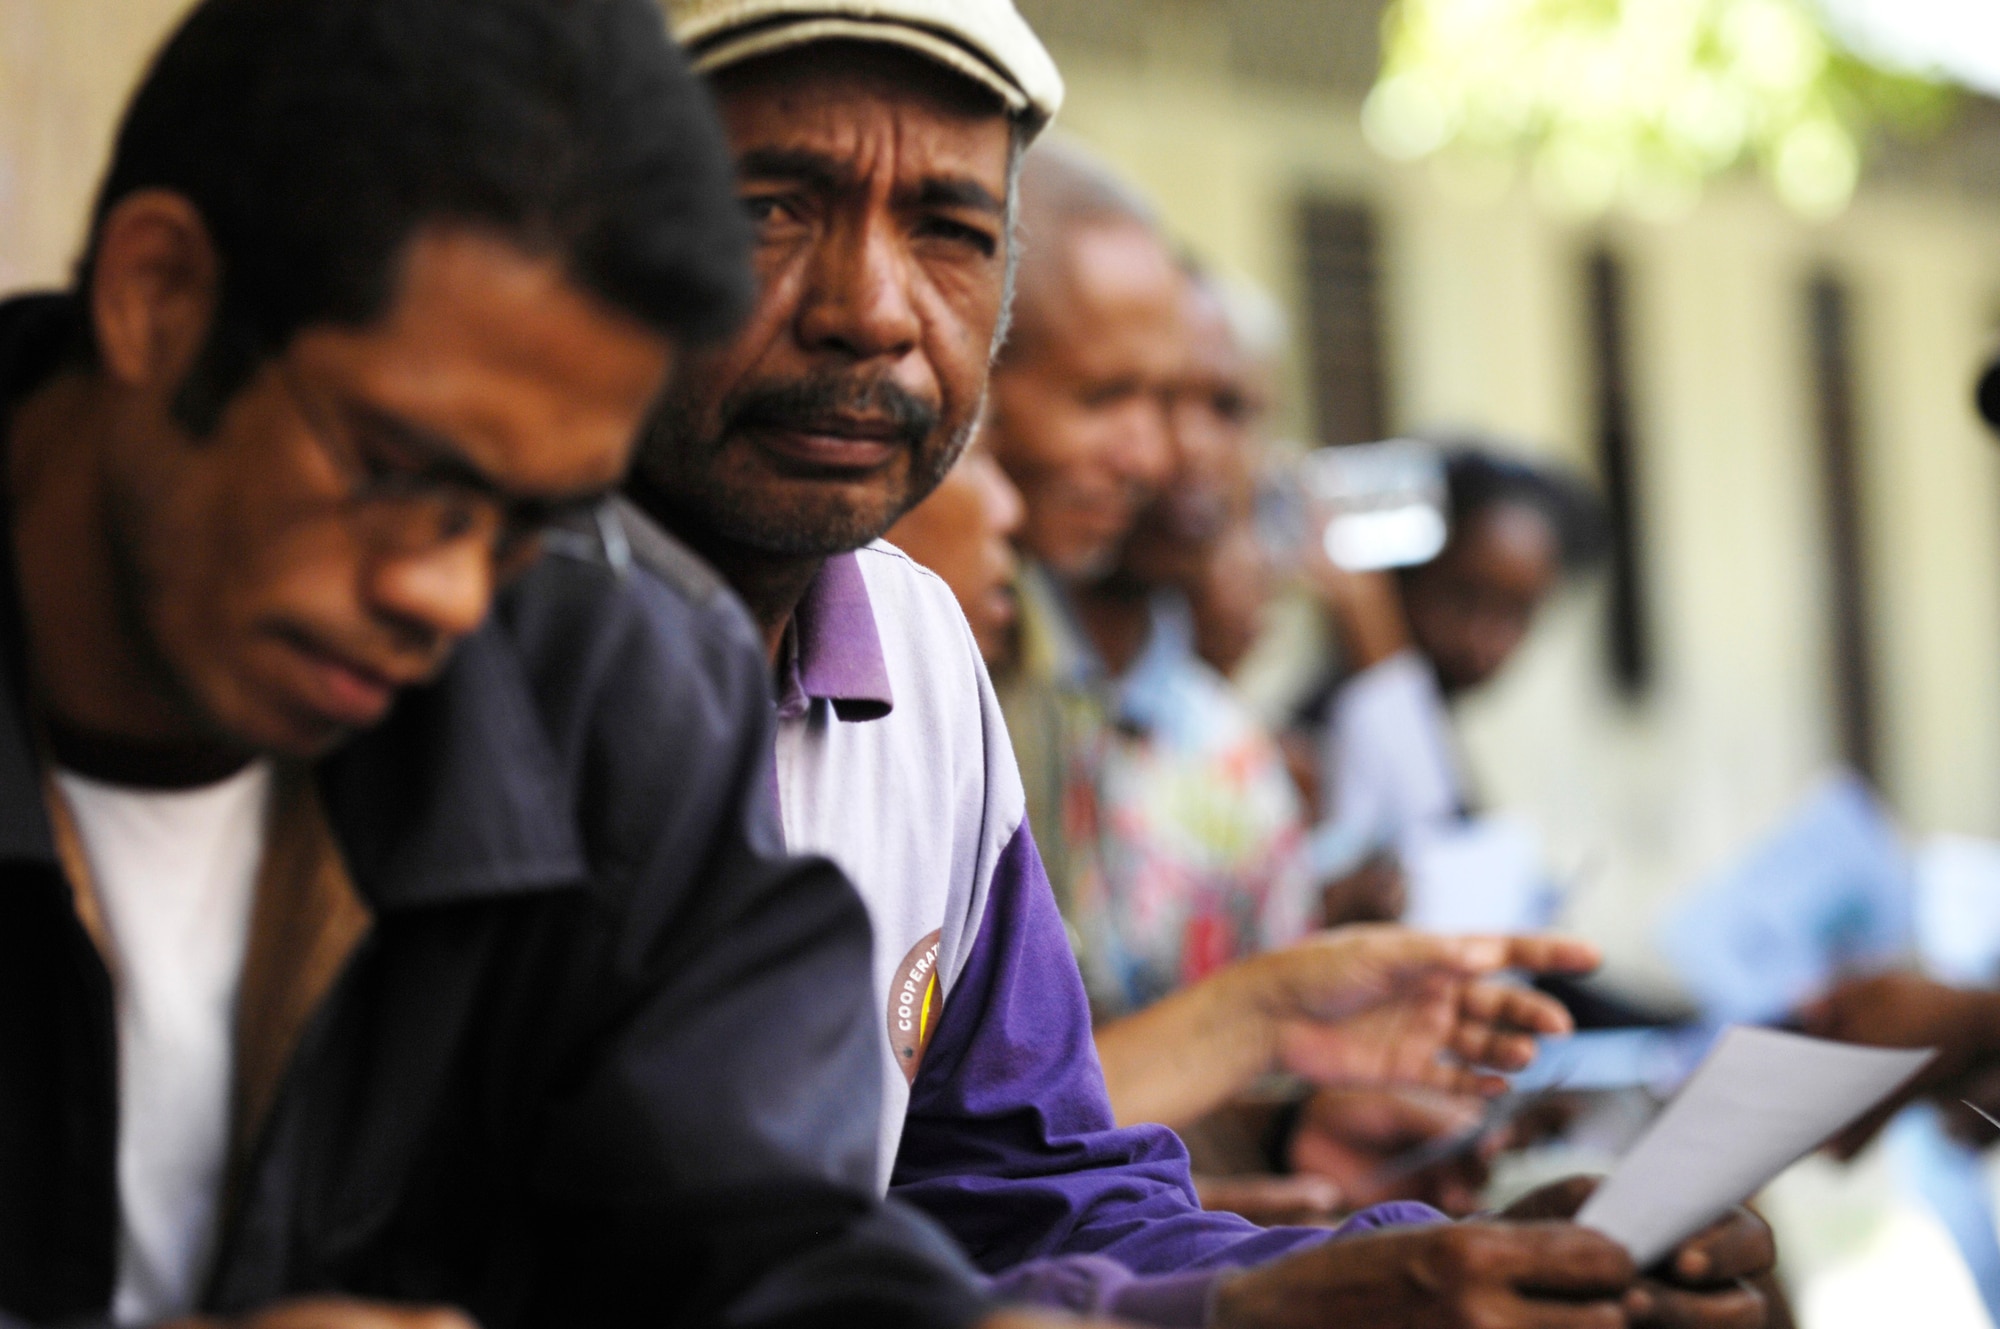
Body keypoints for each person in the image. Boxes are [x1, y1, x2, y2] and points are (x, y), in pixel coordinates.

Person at [633, 2, 1778, 1324]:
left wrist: (1426, 1265)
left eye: (948, 229)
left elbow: (1020, 1186)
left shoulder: (918, 650)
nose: (870, 310)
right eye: (771, 205)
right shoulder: (494, 646)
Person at [0, 2, 1007, 1326]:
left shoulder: (609, 698)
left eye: (535, 516)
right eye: (403, 472)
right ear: (158, 296)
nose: (448, 591)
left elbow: (761, 1243)